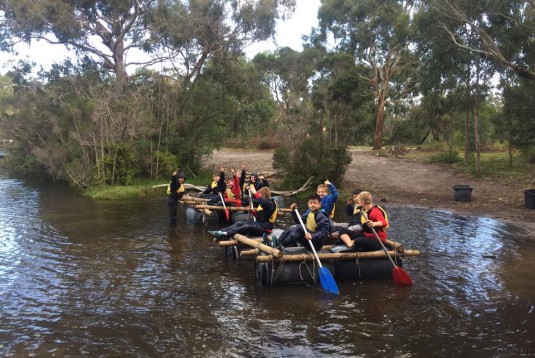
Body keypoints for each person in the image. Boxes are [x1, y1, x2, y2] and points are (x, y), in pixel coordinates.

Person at [209, 184, 278, 239]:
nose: (258, 196)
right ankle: (222, 231)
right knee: (240, 223)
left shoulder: (271, 203)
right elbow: (261, 217)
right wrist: (253, 212)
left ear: (263, 195)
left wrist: (254, 191)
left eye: (259, 194)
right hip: (259, 224)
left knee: (247, 227)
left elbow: (263, 203)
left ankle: (226, 234)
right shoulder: (264, 203)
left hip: (265, 229)